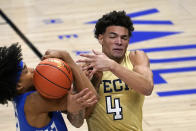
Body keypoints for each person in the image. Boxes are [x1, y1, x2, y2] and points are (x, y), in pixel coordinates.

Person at [78, 10, 154, 131]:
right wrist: (93, 83)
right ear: (101, 38)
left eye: (124, 38)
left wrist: (112, 66)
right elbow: (80, 119)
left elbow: (147, 88)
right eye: (113, 37)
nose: (119, 42)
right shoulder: (88, 66)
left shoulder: (136, 58)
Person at [0, 43, 97, 131]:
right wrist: (67, 59)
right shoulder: (33, 101)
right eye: (26, 71)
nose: (32, 69)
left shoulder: (18, 95)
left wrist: (78, 76)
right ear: (18, 85)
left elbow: (72, 111)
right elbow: (90, 99)